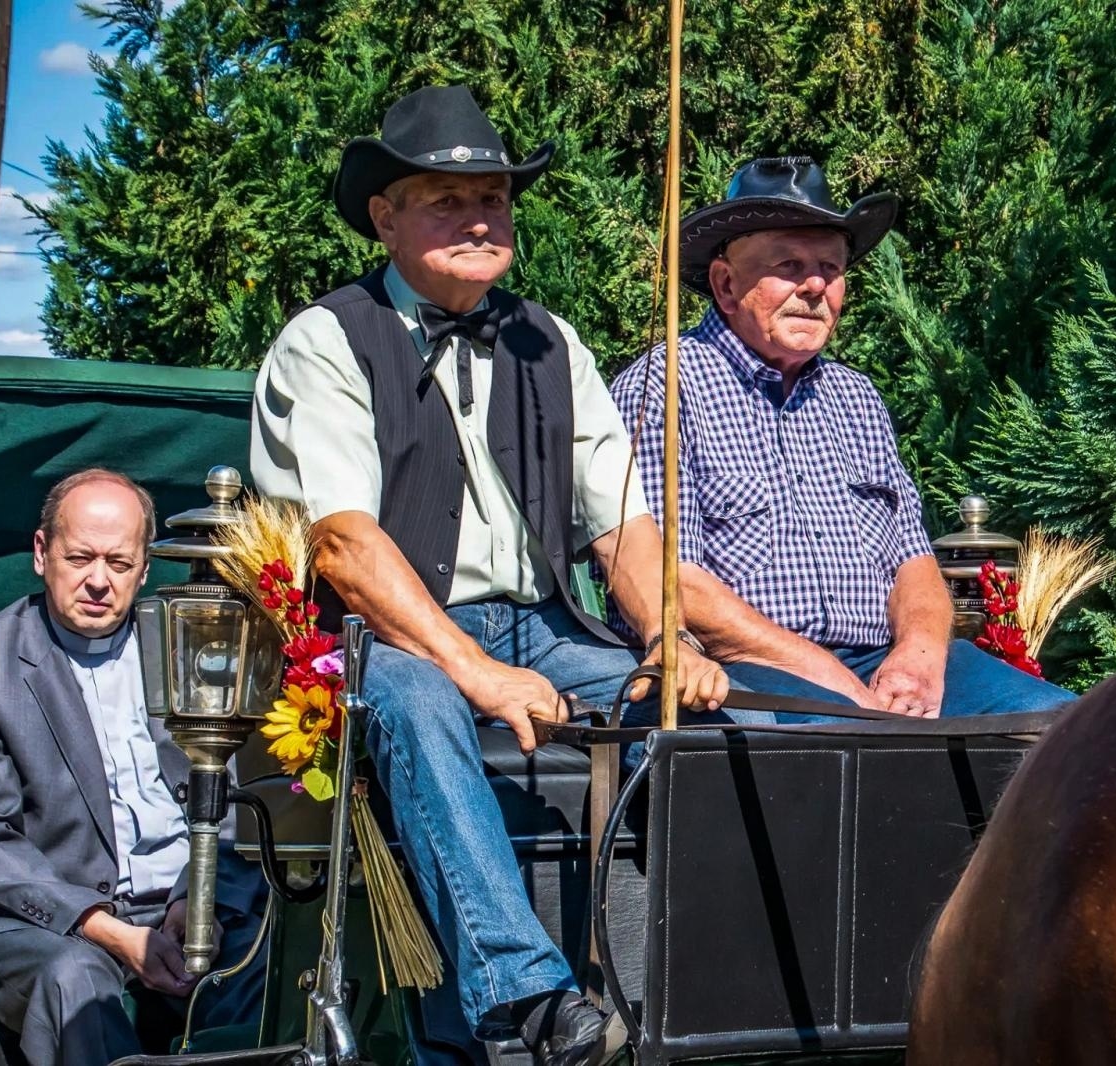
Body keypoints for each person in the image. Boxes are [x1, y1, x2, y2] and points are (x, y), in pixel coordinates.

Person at [252, 88, 843, 1066]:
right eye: (446, 198)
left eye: (493, 197)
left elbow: (622, 528)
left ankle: (702, 984)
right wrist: (472, 673)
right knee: (409, 696)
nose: (479, 219)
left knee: (731, 714)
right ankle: (529, 998)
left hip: (540, 629)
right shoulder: (324, 341)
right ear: (383, 216)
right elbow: (345, 545)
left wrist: (668, 641)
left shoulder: (549, 340)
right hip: (381, 640)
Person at [610, 156, 1074, 717]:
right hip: (744, 673)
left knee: (1067, 733)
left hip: (882, 662)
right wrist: (828, 676)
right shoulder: (665, 386)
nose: (813, 286)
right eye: (789, 264)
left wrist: (918, 658)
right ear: (725, 284)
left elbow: (914, 562)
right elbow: (670, 582)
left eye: (830, 268)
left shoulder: (856, 398)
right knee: (847, 754)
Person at [0, 469, 267, 1066]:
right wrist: (110, 931)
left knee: (284, 956)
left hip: (186, 900)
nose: (98, 581)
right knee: (74, 978)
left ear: (145, 570)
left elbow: (230, 797)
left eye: (119, 563)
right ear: (40, 552)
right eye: (79, 557)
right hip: (54, 923)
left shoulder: (193, 642)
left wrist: (195, 900)